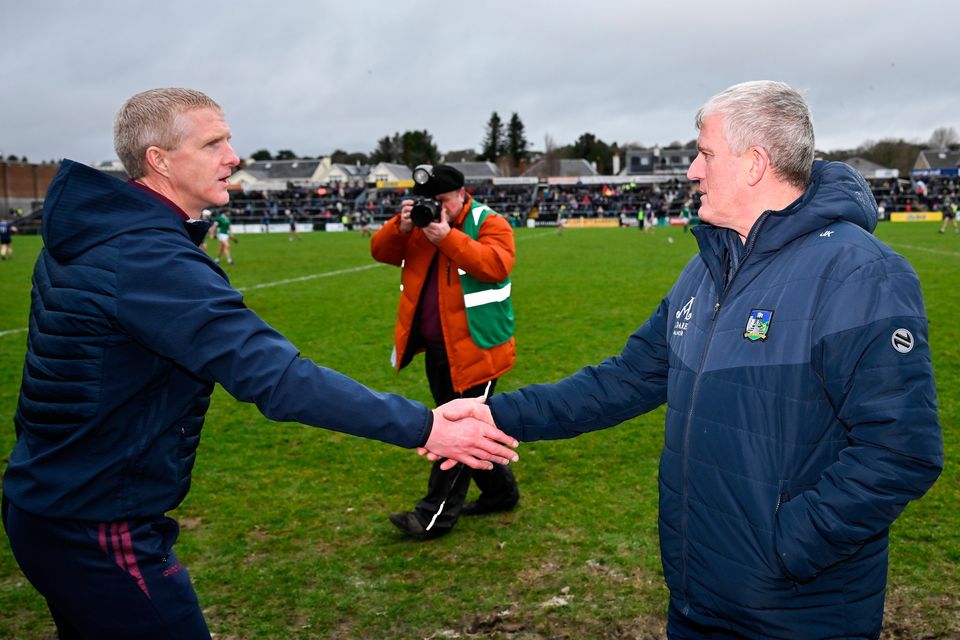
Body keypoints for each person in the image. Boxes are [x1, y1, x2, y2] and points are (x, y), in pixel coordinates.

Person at [1, 88, 519, 640]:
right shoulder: (146, 258)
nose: (234, 157)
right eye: (213, 142)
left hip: (56, 502)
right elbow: (276, 377)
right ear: (159, 159)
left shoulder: (106, 235)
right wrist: (426, 425)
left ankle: (496, 489)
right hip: (98, 526)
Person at [439, 81, 943, 639]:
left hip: (798, 609)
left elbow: (900, 450)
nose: (692, 171)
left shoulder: (859, 273)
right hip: (698, 595)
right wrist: (499, 416)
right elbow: (625, 378)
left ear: (755, 163)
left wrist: (789, 545)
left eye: (704, 154)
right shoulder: (707, 268)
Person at [371, 164, 520, 540]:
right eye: (427, 201)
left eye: (441, 201)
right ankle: (501, 493)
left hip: (480, 350)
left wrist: (446, 236)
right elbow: (380, 253)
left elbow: (496, 266)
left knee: (456, 434)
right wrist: (401, 226)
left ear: (461, 194)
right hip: (437, 350)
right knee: (467, 429)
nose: (434, 208)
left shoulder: (489, 222)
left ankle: (433, 517)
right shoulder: (420, 226)